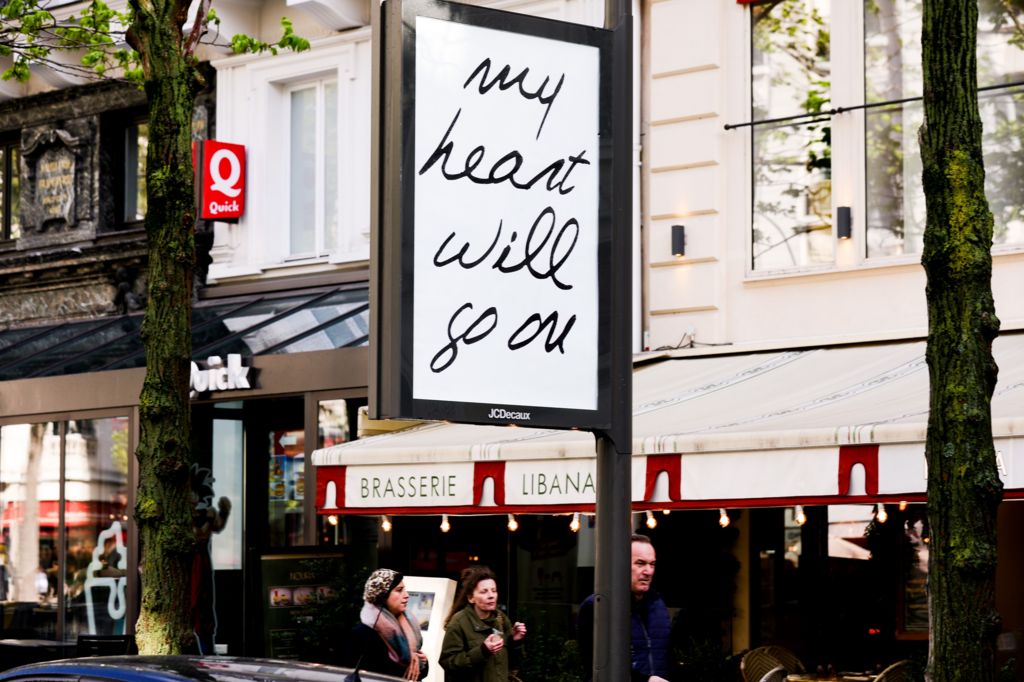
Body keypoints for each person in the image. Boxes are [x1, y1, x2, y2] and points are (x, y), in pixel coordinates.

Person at [577, 533, 671, 682]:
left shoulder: (657, 603)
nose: (648, 571)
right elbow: (596, 665)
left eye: (652, 564)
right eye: (640, 563)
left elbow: (665, 657)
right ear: (621, 564)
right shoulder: (597, 606)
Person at [439, 565, 527, 682]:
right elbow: (448, 663)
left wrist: (515, 641)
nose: (491, 595)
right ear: (471, 598)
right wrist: (482, 651)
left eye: (494, 590)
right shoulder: (458, 623)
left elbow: (514, 663)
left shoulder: (501, 619)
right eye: (484, 592)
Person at [348, 568, 428, 681]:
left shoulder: (410, 623)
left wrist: (423, 662)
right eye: (399, 590)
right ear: (382, 596)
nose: (406, 595)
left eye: (404, 590)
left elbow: (418, 674)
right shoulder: (364, 632)